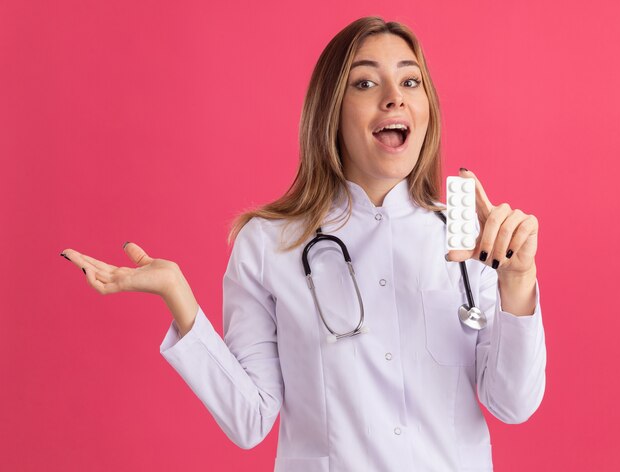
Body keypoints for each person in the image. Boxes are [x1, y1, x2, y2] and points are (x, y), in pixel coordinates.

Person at [60, 16, 546, 472]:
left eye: (410, 81)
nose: (394, 98)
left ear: (427, 109)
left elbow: (512, 403)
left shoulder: (467, 239)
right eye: (365, 82)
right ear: (331, 111)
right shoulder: (269, 244)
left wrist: (518, 282)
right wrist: (177, 295)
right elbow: (250, 420)